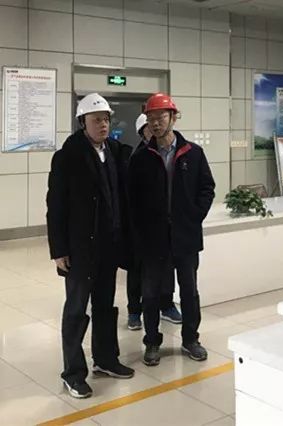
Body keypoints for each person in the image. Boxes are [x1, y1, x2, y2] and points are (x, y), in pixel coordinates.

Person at [46, 93, 134, 399]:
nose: (103, 124)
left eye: (106, 119)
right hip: (80, 248)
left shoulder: (114, 152)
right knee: (76, 310)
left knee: (105, 306)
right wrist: (59, 250)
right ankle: (73, 373)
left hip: (109, 246)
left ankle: (106, 359)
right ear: (82, 122)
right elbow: (55, 206)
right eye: (96, 120)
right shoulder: (67, 157)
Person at [129, 93, 216, 366]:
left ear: (173, 118)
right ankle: (152, 342)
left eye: (161, 117)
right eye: (151, 118)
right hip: (154, 238)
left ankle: (191, 339)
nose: (155, 123)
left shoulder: (193, 153)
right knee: (151, 293)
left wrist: (194, 216)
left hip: (185, 236)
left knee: (189, 290)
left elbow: (207, 188)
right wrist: (141, 230)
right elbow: (132, 198)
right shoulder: (141, 157)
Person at [125, 113, 182, 331]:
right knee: (137, 271)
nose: (154, 130)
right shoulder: (137, 157)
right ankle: (134, 311)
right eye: (148, 129)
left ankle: (166, 305)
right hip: (141, 228)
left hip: (164, 229)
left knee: (167, 269)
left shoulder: (170, 154)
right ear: (142, 133)